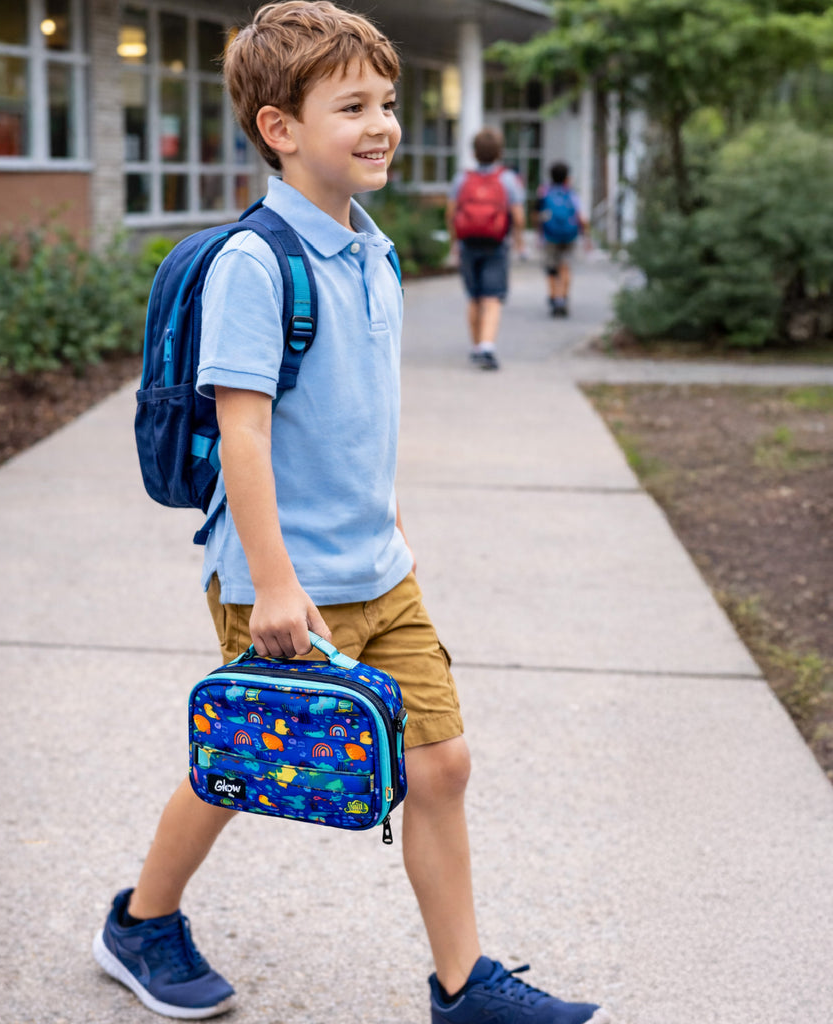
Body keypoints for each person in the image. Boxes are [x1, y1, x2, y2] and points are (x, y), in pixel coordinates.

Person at [92, 5, 609, 1024]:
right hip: (283, 583)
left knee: (441, 764)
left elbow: (353, 418)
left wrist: (394, 519)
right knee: (238, 765)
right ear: (279, 127)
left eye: (387, 103)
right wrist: (276, 585)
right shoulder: (256, 264)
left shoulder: (371, 251)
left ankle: (464, 989)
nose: (382, 124)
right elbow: (243, 436)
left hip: (380, 567)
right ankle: (141, 921)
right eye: (353, 106)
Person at [445, 128, 526, 371]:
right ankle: (487, 347)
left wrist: (454, 242)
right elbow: (519, 217)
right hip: (497, 245)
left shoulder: (462, 179)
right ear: (500, 153)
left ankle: (475, 346)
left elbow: (450, 213)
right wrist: (519, 240)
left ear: (474, 153)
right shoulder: (508, 179)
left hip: (468, 243)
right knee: (492, 298)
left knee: (474, 297)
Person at [536, 162, 588, 318]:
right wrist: (586, 236)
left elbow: (537, 215)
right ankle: (563, 298)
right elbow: (582, 218)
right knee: (565, 266)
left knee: (551, 268)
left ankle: (553, 297)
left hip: (550, 236)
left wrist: (540, 233)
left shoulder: (544, 192)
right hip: (569, 236)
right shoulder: (571, 194)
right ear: (567, 177)